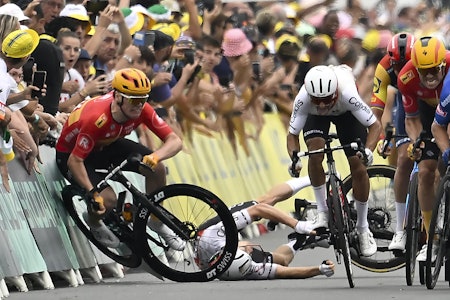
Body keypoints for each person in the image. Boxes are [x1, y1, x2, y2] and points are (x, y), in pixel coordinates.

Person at [55, 68, 183, 249]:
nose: (139, 105)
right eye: (134, 99)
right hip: (72, 155)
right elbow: (75, 161)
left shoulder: (141, 109)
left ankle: (155, 220)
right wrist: (92, 192)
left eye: (143, 99)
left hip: (105, 144)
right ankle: (93, 221)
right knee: (107, 200)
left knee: (158, 168)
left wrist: (156, 156)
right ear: (117, 97)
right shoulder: (97, 118)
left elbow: (175, 141)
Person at [287, 64, 382, 257]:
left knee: (358, 164)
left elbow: (374, 125)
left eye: (327, 100)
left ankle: (363, 228)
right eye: (317, 101)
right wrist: (295, 158)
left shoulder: (347, 93)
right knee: (315, 153)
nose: (322, 106)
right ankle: (323, 212)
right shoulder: (303, 99)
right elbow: (292, 135)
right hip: (315, 120)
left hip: (347, 115)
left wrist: (369, 151)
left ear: (336, 93)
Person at [195, 179, 335, 280]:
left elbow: (258, 210)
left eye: (246, 250)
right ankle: (299, 241)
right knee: (282, 260)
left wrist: (296, 224)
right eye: (250, 254)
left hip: (212, 232)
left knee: (264, 202)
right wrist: (319, 269)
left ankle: (312, 178)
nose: (251, 249)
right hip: (220, 259)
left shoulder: (213, 235)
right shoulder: (246, 269)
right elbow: (284, 272)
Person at [397, 36, 450, 262]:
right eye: (423, 71)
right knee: (427, 171)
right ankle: (432, 238)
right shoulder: (406, 78)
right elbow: (411, 119)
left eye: (434, 70)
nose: (429, 76)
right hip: (427, 116)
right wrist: (416, 141)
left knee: (442, 169)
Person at [370, 32, 416, 251]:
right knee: (405, 159)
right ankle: (400, 229)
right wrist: (382, 137)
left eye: (406, 64)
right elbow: (376, 112)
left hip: (433, 100)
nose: (401, 70)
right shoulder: (383, 68)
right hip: (407, 105)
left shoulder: (431, 63)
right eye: (397, 65)